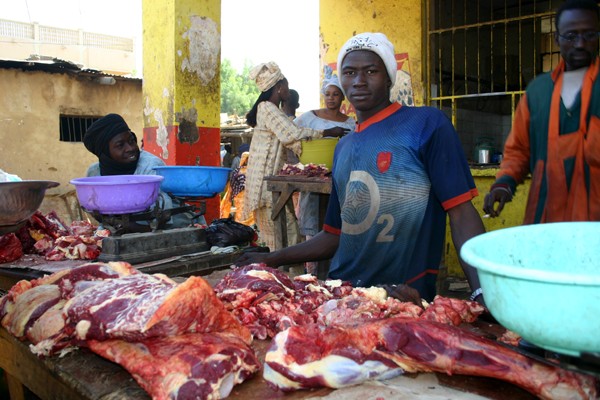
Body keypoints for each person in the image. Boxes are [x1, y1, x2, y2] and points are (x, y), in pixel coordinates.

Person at [237, 33, 486, 304]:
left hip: (400, 299)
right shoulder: (343, 148)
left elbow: (462, 213)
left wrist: (483, 292)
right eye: (350, 72)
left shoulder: (426, 125)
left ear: (389, 77)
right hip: (342, 295)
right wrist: (273, 258)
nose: (359, 81)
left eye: (371, 71)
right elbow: (334, 234)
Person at [483, 0, 600, 223]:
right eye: (571, 36)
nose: (580, 43)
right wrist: (504, 184)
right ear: (556, 38)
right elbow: (518, 151)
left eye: (590, 34)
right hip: (545, 222)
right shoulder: (538, 91)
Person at [241, 62, 348, 251]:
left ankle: (289, 270)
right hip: (264, 179)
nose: (289, 92)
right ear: (279, 88)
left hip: (272, 176)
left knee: (288, 227)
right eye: (287, 87)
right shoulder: (267, 108)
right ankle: (281, 271)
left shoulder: (271, 109)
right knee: (281, 231)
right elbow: (291, 134)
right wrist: (327, 132)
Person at [83, 113, 202, 229]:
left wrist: (126, 227)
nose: (130, 148)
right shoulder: (95, 174)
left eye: (131, 141)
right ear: (104, 153)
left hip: (176, 228)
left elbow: (163, 219)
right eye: (120, 145)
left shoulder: (150, 166)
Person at [294, 75, 356, 274]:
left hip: (340, 176)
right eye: (328, 94)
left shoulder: (351, 123)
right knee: (312, 222)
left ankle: (334, 270)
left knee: (339, 224)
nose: (331, 98)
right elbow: (293, 134)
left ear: (342, 98)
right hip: (314, 174)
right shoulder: (309, 117)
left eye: (336, 94)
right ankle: (311, 272)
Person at [220, 147, 255, 226]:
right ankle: (241, 227)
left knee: (250, 213)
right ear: (244, 159)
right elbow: (233, 183)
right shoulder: (238, 171)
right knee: (241, 213)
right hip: (240, 196)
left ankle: (248, 229)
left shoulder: (252, 171)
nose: (249, 161)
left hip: (250, 196)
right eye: (247, 159)